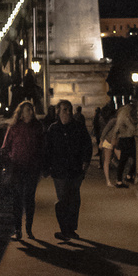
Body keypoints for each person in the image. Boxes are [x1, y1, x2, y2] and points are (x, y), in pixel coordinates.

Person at [44, 99, 93, 241]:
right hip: (59, 171)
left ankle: (71, 229)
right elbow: (48, 150)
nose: (67, 112)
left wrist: (85, 162)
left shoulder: (78, 127)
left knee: (74, 200)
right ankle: (65, 229)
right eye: (64, 109)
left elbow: (87, 145)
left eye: (69, 109)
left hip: (75, 170)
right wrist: (47, 167)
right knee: (62, 201)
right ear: (58, 111)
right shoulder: (53, 129)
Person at [0, 100, 45, 240]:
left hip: (32, 167)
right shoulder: (14, 127)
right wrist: (9, 160)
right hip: (17, 167)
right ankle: (18, 229)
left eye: (31, 110)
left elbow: (42, 146)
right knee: (17, 199)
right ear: (21, 113)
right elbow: (5, 147)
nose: (31, 112)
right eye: (28, 110)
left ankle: (28, 228)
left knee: (29, 198)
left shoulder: (37, 126)